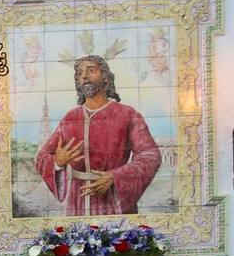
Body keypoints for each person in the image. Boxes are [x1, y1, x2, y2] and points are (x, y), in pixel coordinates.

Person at [34, 54, 161, 215]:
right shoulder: (70, 118)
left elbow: (150, 155)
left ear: (106, 78)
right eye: (79, 73)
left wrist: (115, 177)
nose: (84, 76)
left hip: (112, 201)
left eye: (91, 70)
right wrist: (57, 162)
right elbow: (42, 156)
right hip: (77, 201)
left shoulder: (127, 114)